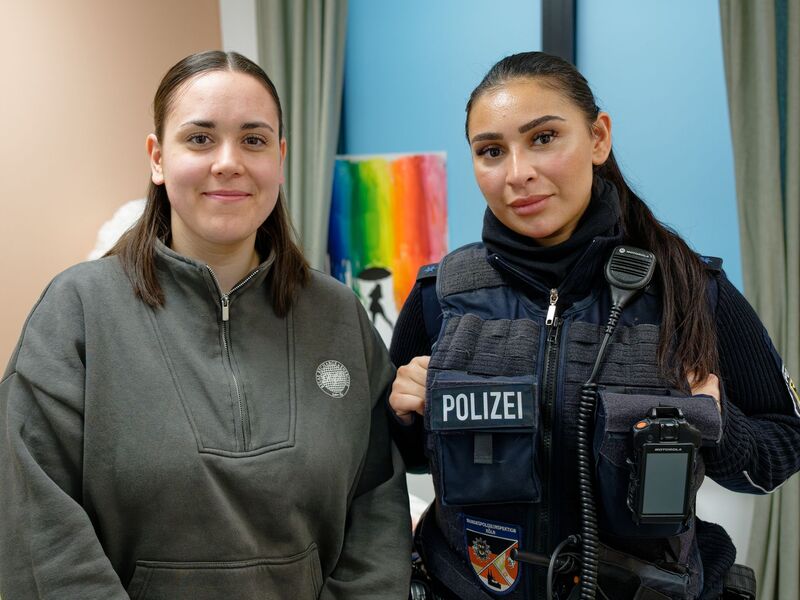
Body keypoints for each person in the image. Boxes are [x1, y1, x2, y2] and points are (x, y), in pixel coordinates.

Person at [388, 51, 800, 600]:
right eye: (491, 151)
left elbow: (781, 449)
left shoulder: (691, 290)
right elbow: (404, 460)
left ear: (598, 138)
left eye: (543, 138)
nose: (518, 173)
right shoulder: (439, 296)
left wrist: (721, 424)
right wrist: (403, 415)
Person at [0, 50, 411, 599]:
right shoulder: (77, 312)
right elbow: (37, 525)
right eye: (199, 138)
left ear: (280, 159)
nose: (228, 162)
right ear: (157, 158)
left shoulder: (338, 316)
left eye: (253, 140)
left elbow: (378, 509)